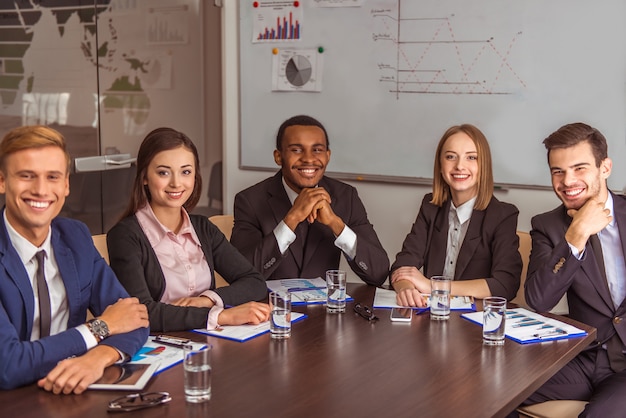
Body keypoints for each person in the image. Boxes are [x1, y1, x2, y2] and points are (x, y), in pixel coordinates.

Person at [0, 125, 149, 393]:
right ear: (2, 181)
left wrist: (97, 358)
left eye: (53, 177)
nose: (41, 189)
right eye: (26, 176)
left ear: (66, 185)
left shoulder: (75, 236)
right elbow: (8, 364)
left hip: (69, 390)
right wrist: (101, 327)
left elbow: (133, 318)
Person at [107, 127, 269, 333]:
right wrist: (221, 315)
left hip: (209, 339)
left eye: (185, 172)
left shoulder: (203, 228)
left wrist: (207, 300)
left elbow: (255, 282)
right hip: (161, 345)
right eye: (163, 172)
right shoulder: (125, 235)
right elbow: (141, 312)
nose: (176, 183)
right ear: (145, 177)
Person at [515, 122, 626, 416]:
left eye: (580, 168)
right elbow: (538, 299)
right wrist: (576, 236)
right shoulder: (548, 226)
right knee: (493, 391)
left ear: (605, 167)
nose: (568, 181)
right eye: (558, 171)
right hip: (582, 357)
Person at [230, 115, 389, 286]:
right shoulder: (250, 200)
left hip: (325, 310)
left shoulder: (345, 196)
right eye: (296, 150)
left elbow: (378, 273)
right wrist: (291, 219)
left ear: (328, 156)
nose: (308, 158)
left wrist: (336, 224)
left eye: (317, 150)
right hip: (270, 308)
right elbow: (241, 275)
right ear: (278, 156)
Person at [390, 124, 522, 307]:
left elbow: (504, 285)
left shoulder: (502, 215)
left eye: (471, 157)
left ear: (483, 165)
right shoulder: (431, 207)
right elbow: (403, 266)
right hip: (432, 316)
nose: (460, 166)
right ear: (440, 165)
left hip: (475, 323)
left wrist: (433, 286)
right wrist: (406, 289)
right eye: (451, 157)